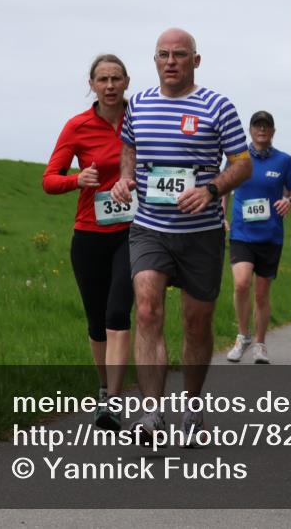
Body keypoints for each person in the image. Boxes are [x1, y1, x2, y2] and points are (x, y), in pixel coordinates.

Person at [111, 28, 252, 440]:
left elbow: (242, 164)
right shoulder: (139, 104)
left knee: (196, 323)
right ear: (155, 60)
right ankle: (152, 413)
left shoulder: (218, 106)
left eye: (179, 54)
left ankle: (192, 406)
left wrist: (210, 190)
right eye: (163, 54)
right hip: (150, 228)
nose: (170, 62)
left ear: (196, 60)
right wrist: (125, 178)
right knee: (146, 310)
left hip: (201, 234)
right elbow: (129, 148)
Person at [43, 54, 135, 431]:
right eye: (102, 79)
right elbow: (49, 179)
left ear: (127, 82)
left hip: (132, 232)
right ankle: (104, 388)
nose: (110, 86)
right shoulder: (77, 126)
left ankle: (114, 401)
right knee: (97, 321)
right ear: (92, 85)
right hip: (89, 235)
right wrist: (77, 180)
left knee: (117, 314)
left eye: (116, 78)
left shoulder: (140, 119)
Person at [225, 111, 291, 364]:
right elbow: (224, 187)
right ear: (250, 130)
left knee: (261, 294)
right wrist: (221, 216)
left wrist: (289, 201)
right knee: (241, 284)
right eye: (257, 125)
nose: (261, 130)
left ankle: (260, 343)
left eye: (266, 126)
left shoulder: (283, 160)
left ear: (273, 131)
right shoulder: (237, 158)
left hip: (270, 235)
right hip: (242, 233)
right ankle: (242, 335)